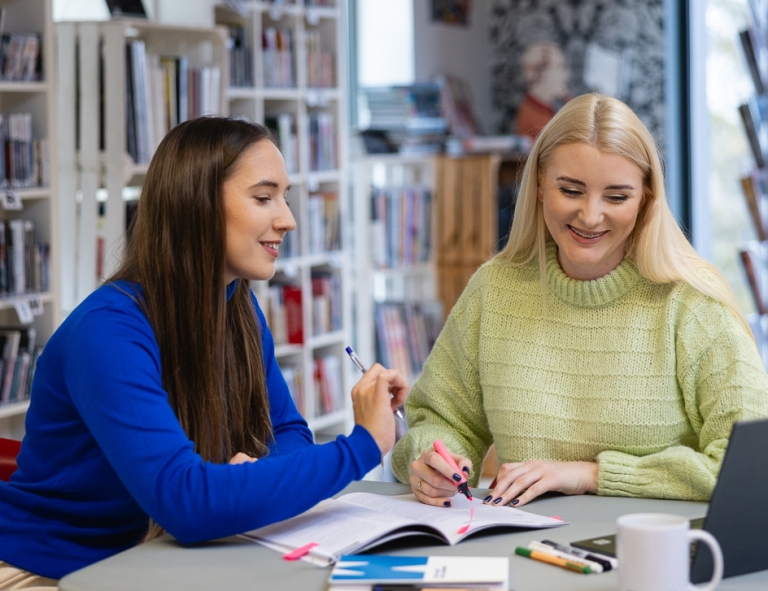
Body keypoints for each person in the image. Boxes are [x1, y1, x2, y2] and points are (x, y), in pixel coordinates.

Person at [0, 117, 408, 584]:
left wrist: (248, 478)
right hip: (48, 570)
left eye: (285, 197)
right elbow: (186, 503)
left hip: (155, 558)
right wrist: (362, 446)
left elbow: (287, 430)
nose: (288, 219)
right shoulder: (106, 332)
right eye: (263, 198)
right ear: (197, 205)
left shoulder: (237, 306)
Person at [391, 93, 768, 510]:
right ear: (539, 185)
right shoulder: (494, 290)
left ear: (646, 199)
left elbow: (751, 464)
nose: (590, 216)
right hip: (525, 542)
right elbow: (440, 419)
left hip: (657, 546)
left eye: (617, 197)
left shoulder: (693, 303)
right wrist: (433, 460)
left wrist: (591, 475)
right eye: (570, 190)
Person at [516, 41, 571, 139]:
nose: (566, 75)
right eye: (560, 67)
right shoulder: (531, 115)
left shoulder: (548, 107)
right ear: (541, 73)